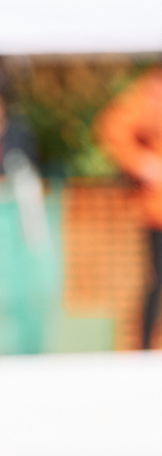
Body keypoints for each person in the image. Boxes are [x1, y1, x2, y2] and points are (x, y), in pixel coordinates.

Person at [97, 67, 162, 350]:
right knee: (156, 279)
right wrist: (142, 163)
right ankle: (146, 349)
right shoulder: (151, 89)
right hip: (158, 210)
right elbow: (113, 128)